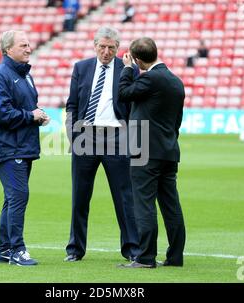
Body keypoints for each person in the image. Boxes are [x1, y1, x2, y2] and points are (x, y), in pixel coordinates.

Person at [64, 26, 141, 262]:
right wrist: (73, 133)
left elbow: (135, 104)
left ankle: (132, 249)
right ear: (95, 45)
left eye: (111, 47)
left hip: (117, 137)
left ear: (118, 48)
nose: (106, 52)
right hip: (85, 136)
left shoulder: (128, 69)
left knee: (124, 197)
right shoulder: (82, 67)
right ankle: (75, 249)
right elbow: (72, 104)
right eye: (102, 47)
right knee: (80, 196)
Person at [0, 30, 50, 267]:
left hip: (22, 147)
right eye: (23, 45)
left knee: (12, 199)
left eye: (29, 44)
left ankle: (3, 250)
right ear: (8, 49)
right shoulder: (0, 76)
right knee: (18, 197)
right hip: (9, 149)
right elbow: (0, 112)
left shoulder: (23, 75)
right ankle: (17, 250)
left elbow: (21, 108)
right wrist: (30, 116)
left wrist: (37, 114)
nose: (29, 48)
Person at [118, 37, 186, 268]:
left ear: (137, 60)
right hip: (168, 150)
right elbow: (177, 121)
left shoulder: (150, 79)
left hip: (145, 151)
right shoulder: (176, 81)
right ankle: (175, 256)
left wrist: (127, 69)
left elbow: (124, 93)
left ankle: (146, 257)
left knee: (144, 204)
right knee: (171, 206)